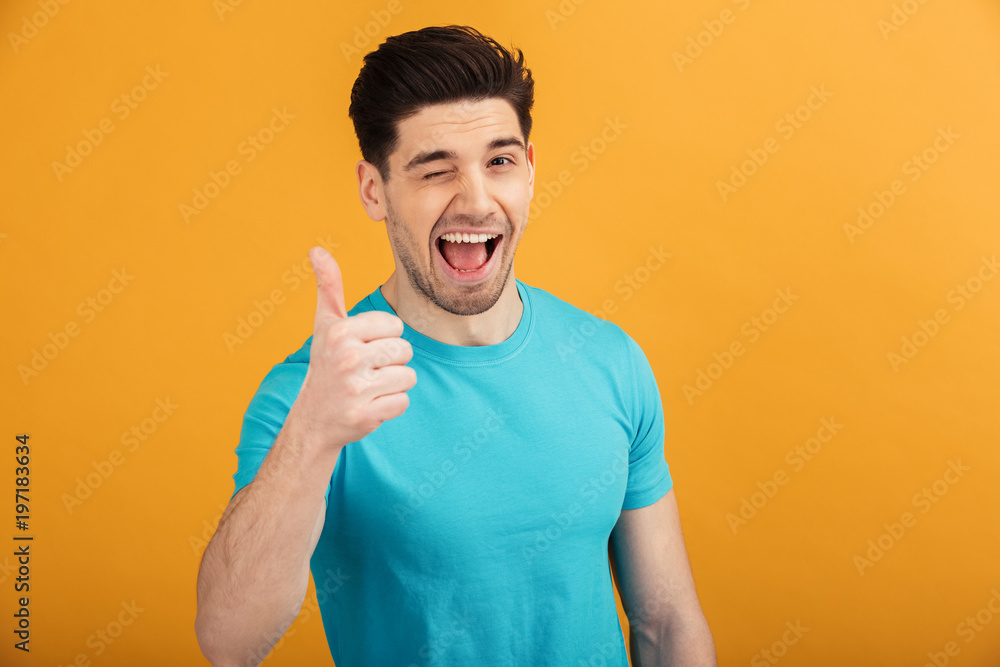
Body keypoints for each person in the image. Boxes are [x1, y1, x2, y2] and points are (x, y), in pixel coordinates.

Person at [195, 24, 716, 667]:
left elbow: (666, 624)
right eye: (435, 170)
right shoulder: (315, 395)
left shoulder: (610, 362)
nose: (475, 201)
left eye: (499, 162)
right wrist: (312, 435)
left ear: (529, 170)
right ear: (374, 191)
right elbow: (227, 641)